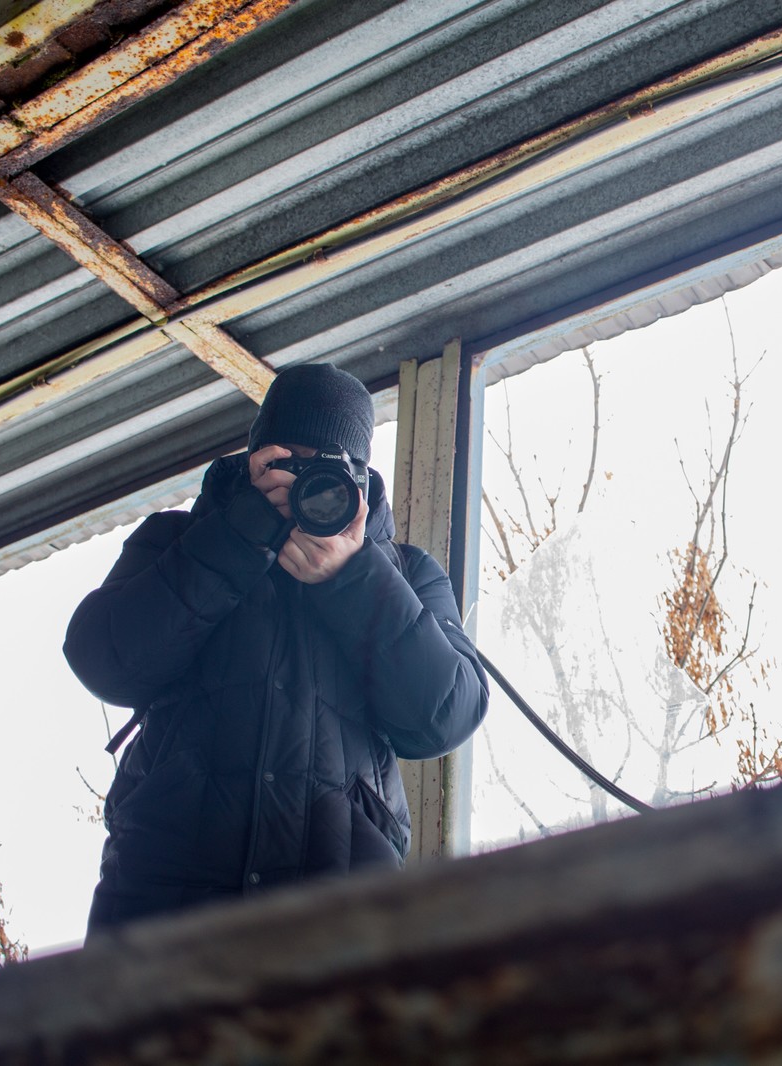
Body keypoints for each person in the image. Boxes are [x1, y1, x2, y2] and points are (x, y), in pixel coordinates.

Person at [64, 363, 488, 934]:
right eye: (288, 465)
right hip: (164, 899)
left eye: (329, 472)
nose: (305, 487)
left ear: (360, 481)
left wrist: (355, 577)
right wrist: (237, 535)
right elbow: (103, 662)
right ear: (255, 461)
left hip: (341, 910)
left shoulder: (407, 573)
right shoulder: (176, 540)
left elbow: (446, 716)